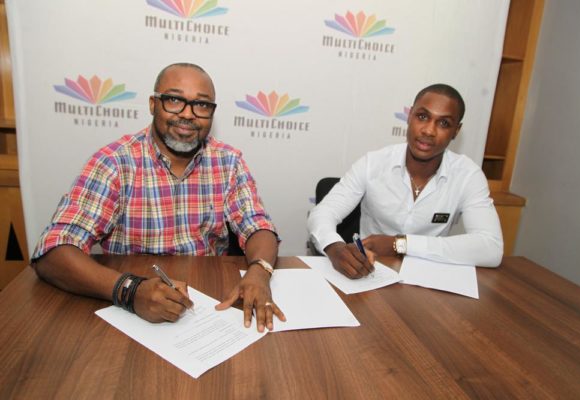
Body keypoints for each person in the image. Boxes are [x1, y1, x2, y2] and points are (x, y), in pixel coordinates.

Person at [31, 62, 285, 331]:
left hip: (209, 304)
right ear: (153, 104)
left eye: (201, 105)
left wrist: (259, 271)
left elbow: (258, 226)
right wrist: (130, 290)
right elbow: (52, 251)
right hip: (129, 306)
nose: (188, 115)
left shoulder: (228, 161)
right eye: (174, 100)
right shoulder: (115, 162)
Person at [308, 84, 503, 278]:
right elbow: (323, 213)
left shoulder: (468, 175)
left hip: (431, 279)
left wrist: (399, 244)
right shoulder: (373, 163)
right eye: (422, 117)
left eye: (443, 123)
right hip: (371, 273)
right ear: (409, 116)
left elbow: (491, 248)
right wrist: (334, 247)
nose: (429, 130)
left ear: (456, 131)